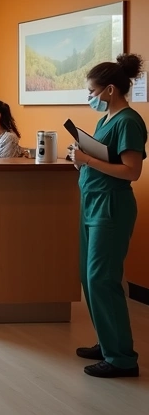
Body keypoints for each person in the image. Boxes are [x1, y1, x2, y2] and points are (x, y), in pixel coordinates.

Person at [71, 53, 145, 379]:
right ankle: (107, 342)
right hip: (92, 203)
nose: (90, 97)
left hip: (111, 206)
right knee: (88, 277)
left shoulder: (128, 122)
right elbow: (103, 160)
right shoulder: (105, 121)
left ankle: (122, 359)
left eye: (92, 91)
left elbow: (131, 171)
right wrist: (81, 159)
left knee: (102, 279)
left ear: (110, 90)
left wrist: (88, 160)